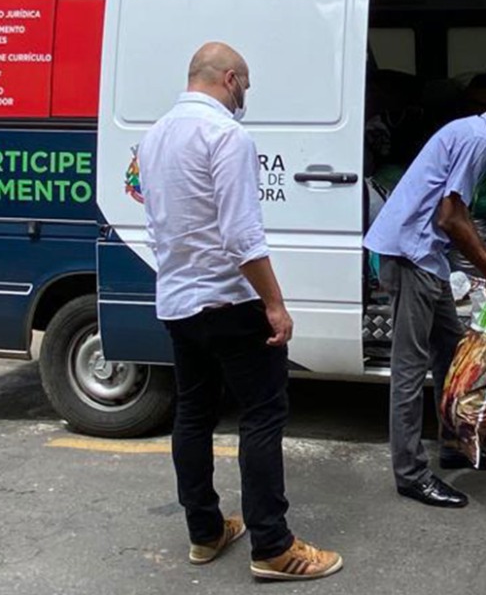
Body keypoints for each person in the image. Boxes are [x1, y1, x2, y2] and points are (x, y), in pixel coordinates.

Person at [138, 42, 342, 582]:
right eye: (245, 86)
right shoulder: (226, 135)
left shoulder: (154, 136)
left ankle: (205, 532)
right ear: (230, 78)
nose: (244, 96)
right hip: (229, 301)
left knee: (193, 414)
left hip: (178, 300)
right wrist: (275, 303)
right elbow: (241, 235)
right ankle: (273, 546)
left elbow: (152, 215)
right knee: (262, 415)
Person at [364, 81, 486, 508]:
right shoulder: (477, 140)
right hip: (411, 255)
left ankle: (455, 443)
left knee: (450, 349)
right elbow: (451, 217)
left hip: (427, 258)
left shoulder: (469, 133)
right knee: (409, 369)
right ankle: (410, 474)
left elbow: (452, 212)